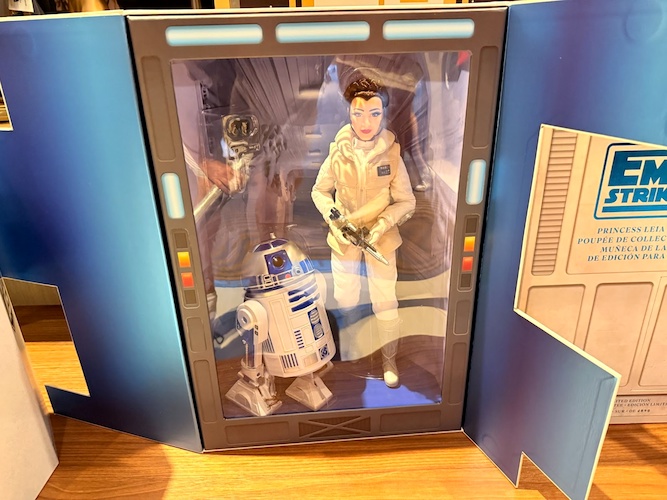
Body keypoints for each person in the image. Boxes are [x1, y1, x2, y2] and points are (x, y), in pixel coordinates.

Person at [311, 77, 416, 388]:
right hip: (344, 237)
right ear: (349, 113)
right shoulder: (338, 152)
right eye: (358, 113)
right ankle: (350, 349)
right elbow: (319, 191)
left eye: (374, 113)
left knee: (385, 299)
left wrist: (383, 224)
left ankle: (388, 358)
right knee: (345, 296)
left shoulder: (392, 155)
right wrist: (335, 219)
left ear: (383, 114)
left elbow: (407, 201)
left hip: (381, 240)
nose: (366, 122)